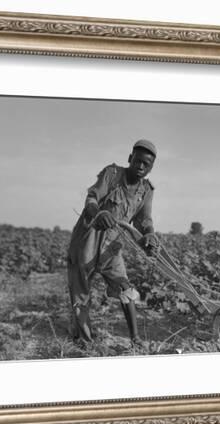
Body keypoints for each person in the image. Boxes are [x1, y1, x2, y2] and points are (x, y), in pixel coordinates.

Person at [67, 139, 159, 345]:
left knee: (126, 288)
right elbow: (91, 197)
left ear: (151, 167)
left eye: (147, 164)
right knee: (81, 291)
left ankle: (135, 339)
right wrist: (98, 213)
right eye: (138, 161)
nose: (141, 166)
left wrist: (150, 234)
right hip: (88, 238)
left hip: (113, 244)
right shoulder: (112, 174)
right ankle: (83, 340)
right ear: (130, 159)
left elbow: (144, 220)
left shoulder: (147, 191)